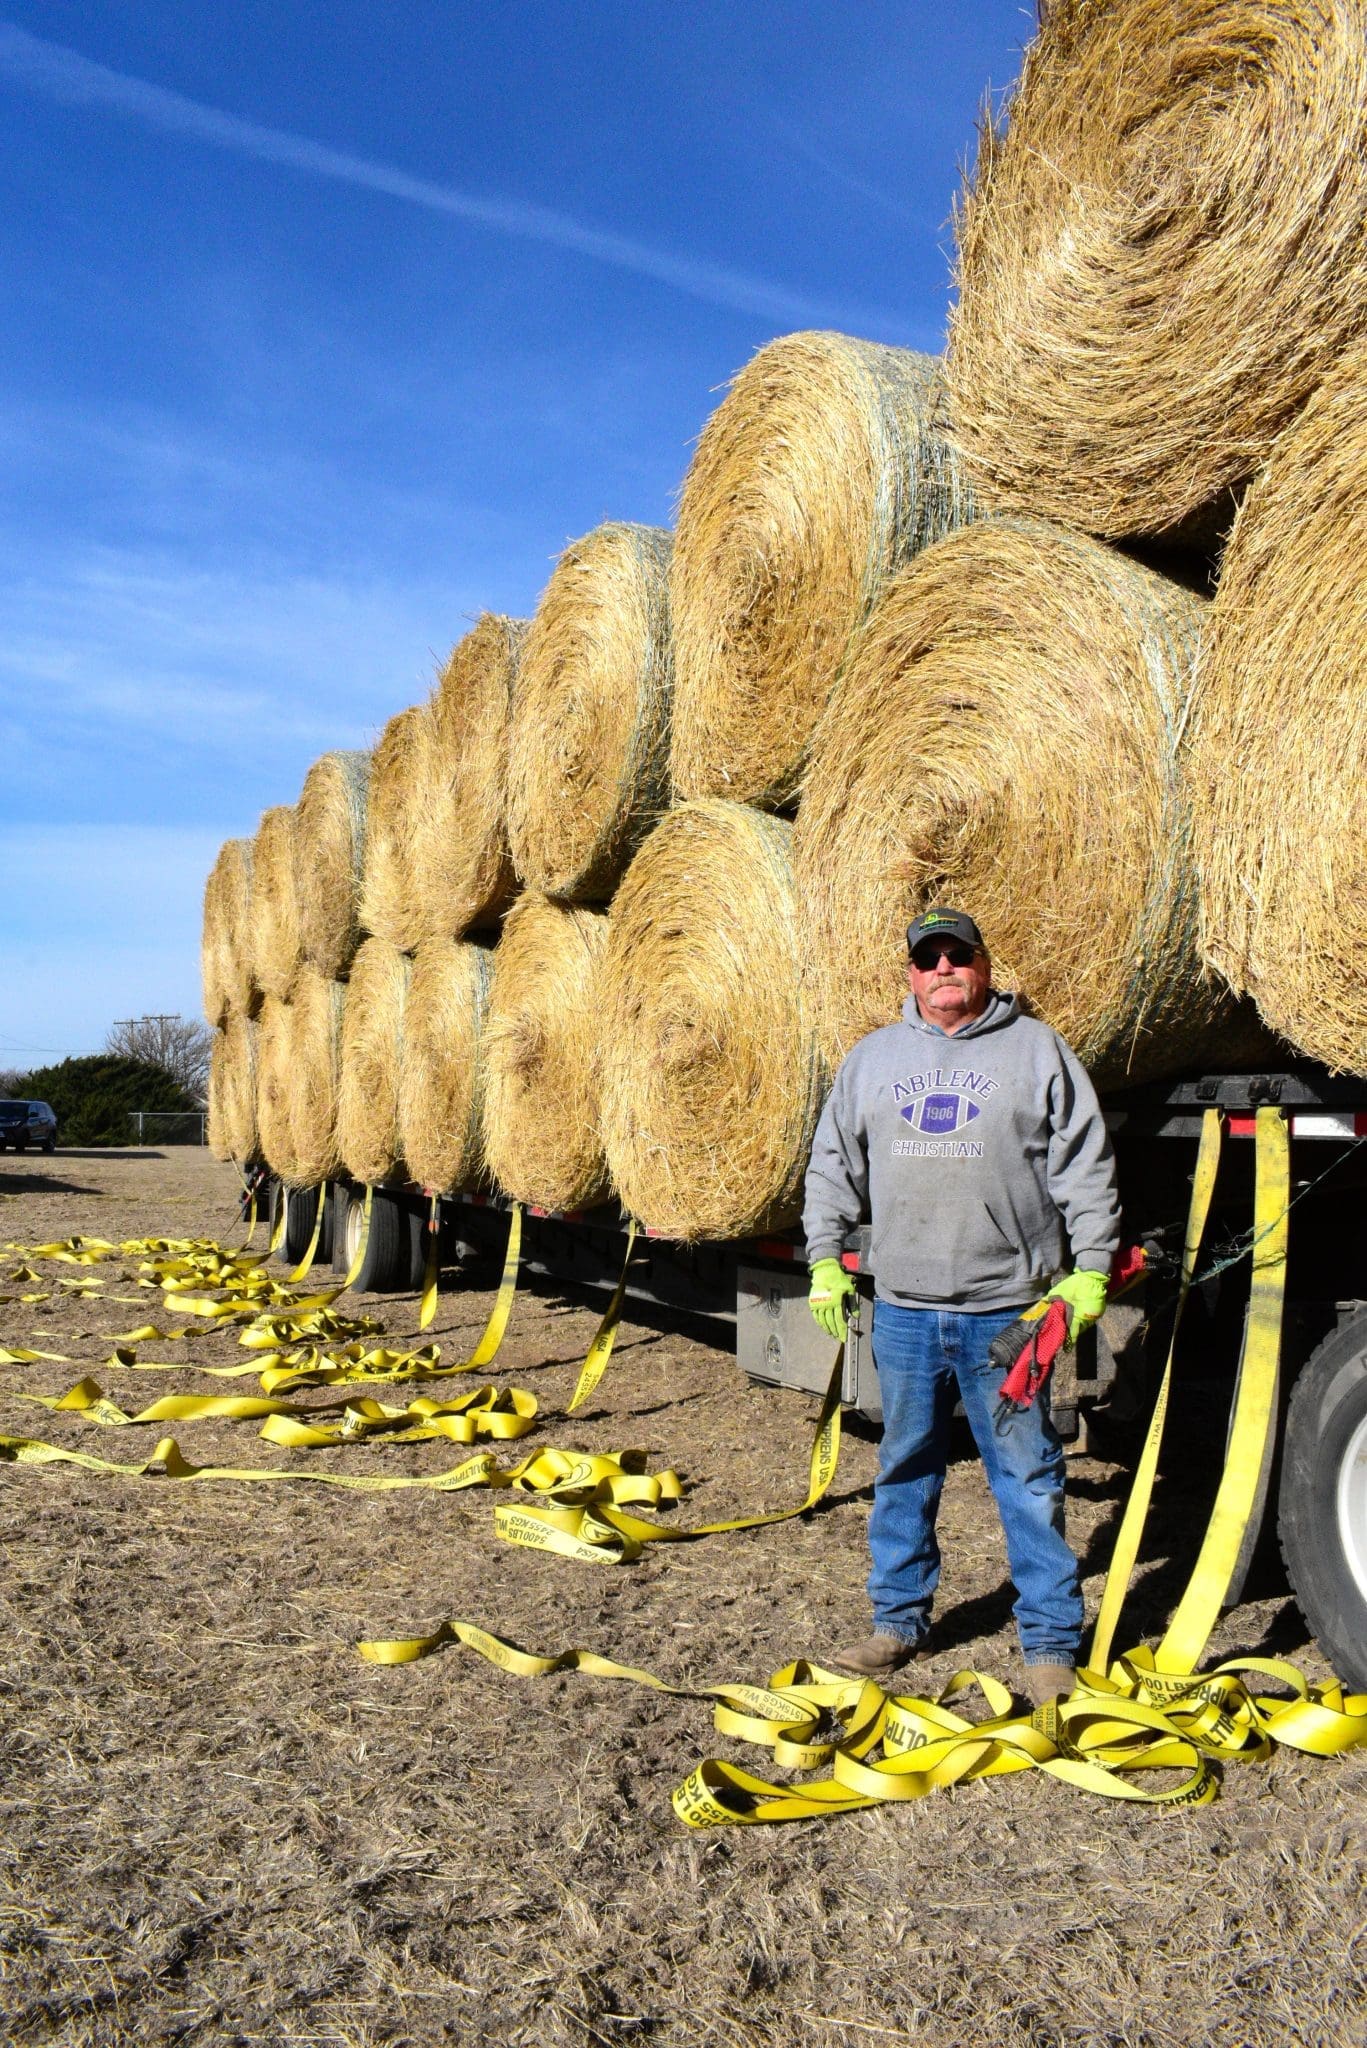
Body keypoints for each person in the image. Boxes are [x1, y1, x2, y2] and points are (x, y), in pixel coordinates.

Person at [803, 908, 1120, 1707]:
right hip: (905, 1312)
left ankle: (1048, 1640)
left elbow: (1085, 1165)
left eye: (957, 955)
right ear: (909, 974)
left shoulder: (1037, 1050)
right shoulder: (870, 1061)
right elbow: (831, 1166)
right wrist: (822, 1260)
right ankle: (896, 1620)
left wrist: (1088, 1269)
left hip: (1008, 1314)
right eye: (927, 957)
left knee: (1027, 1475)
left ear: (981, 965)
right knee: (905, 1466)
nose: (942, 968)